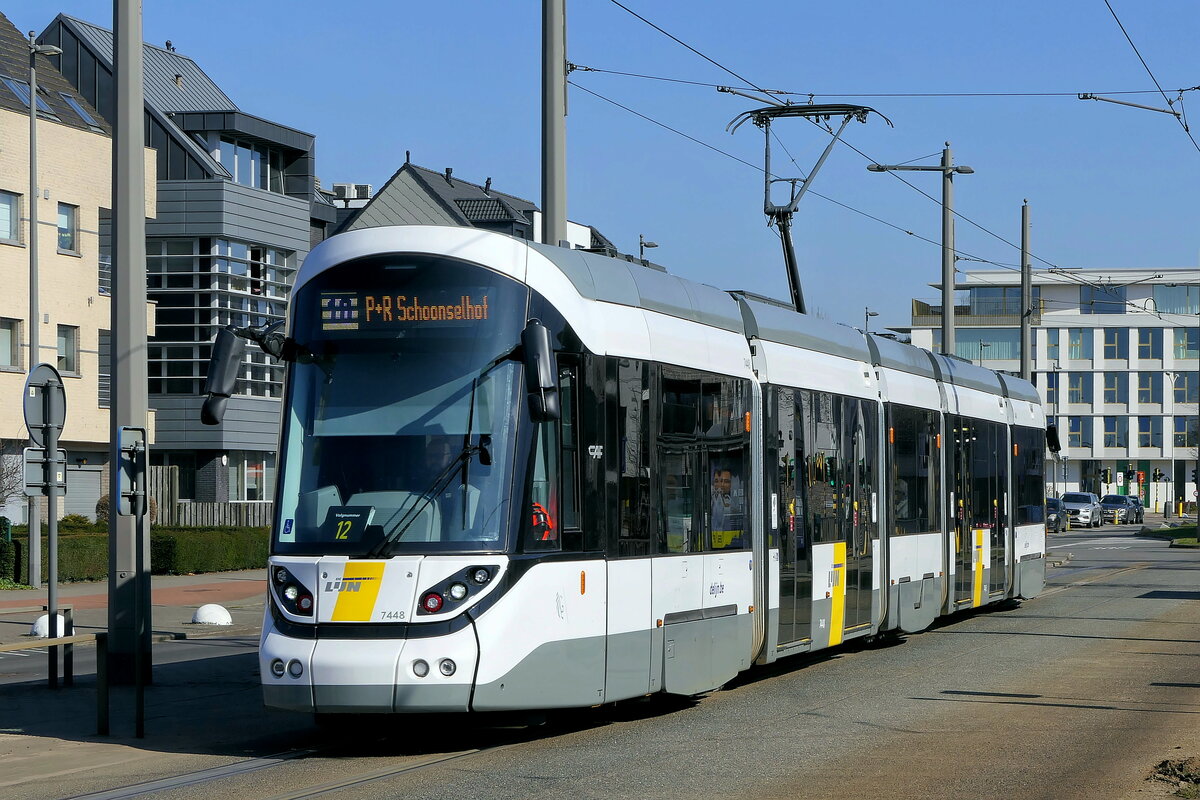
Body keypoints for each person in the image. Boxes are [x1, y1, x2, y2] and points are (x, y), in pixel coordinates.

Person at [710, 466, 744, 547]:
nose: (721, 485)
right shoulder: (708, 501)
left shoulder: (736, 503)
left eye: (726, 481)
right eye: (717, 481)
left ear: (731, 484)